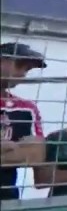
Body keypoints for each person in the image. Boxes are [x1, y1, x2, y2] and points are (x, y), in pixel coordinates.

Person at [1, 42, 47, 201]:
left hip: (5, 198)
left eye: (27, 69)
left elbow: (36, 156)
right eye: (20, 65)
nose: (22, 74)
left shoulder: (27, 108)